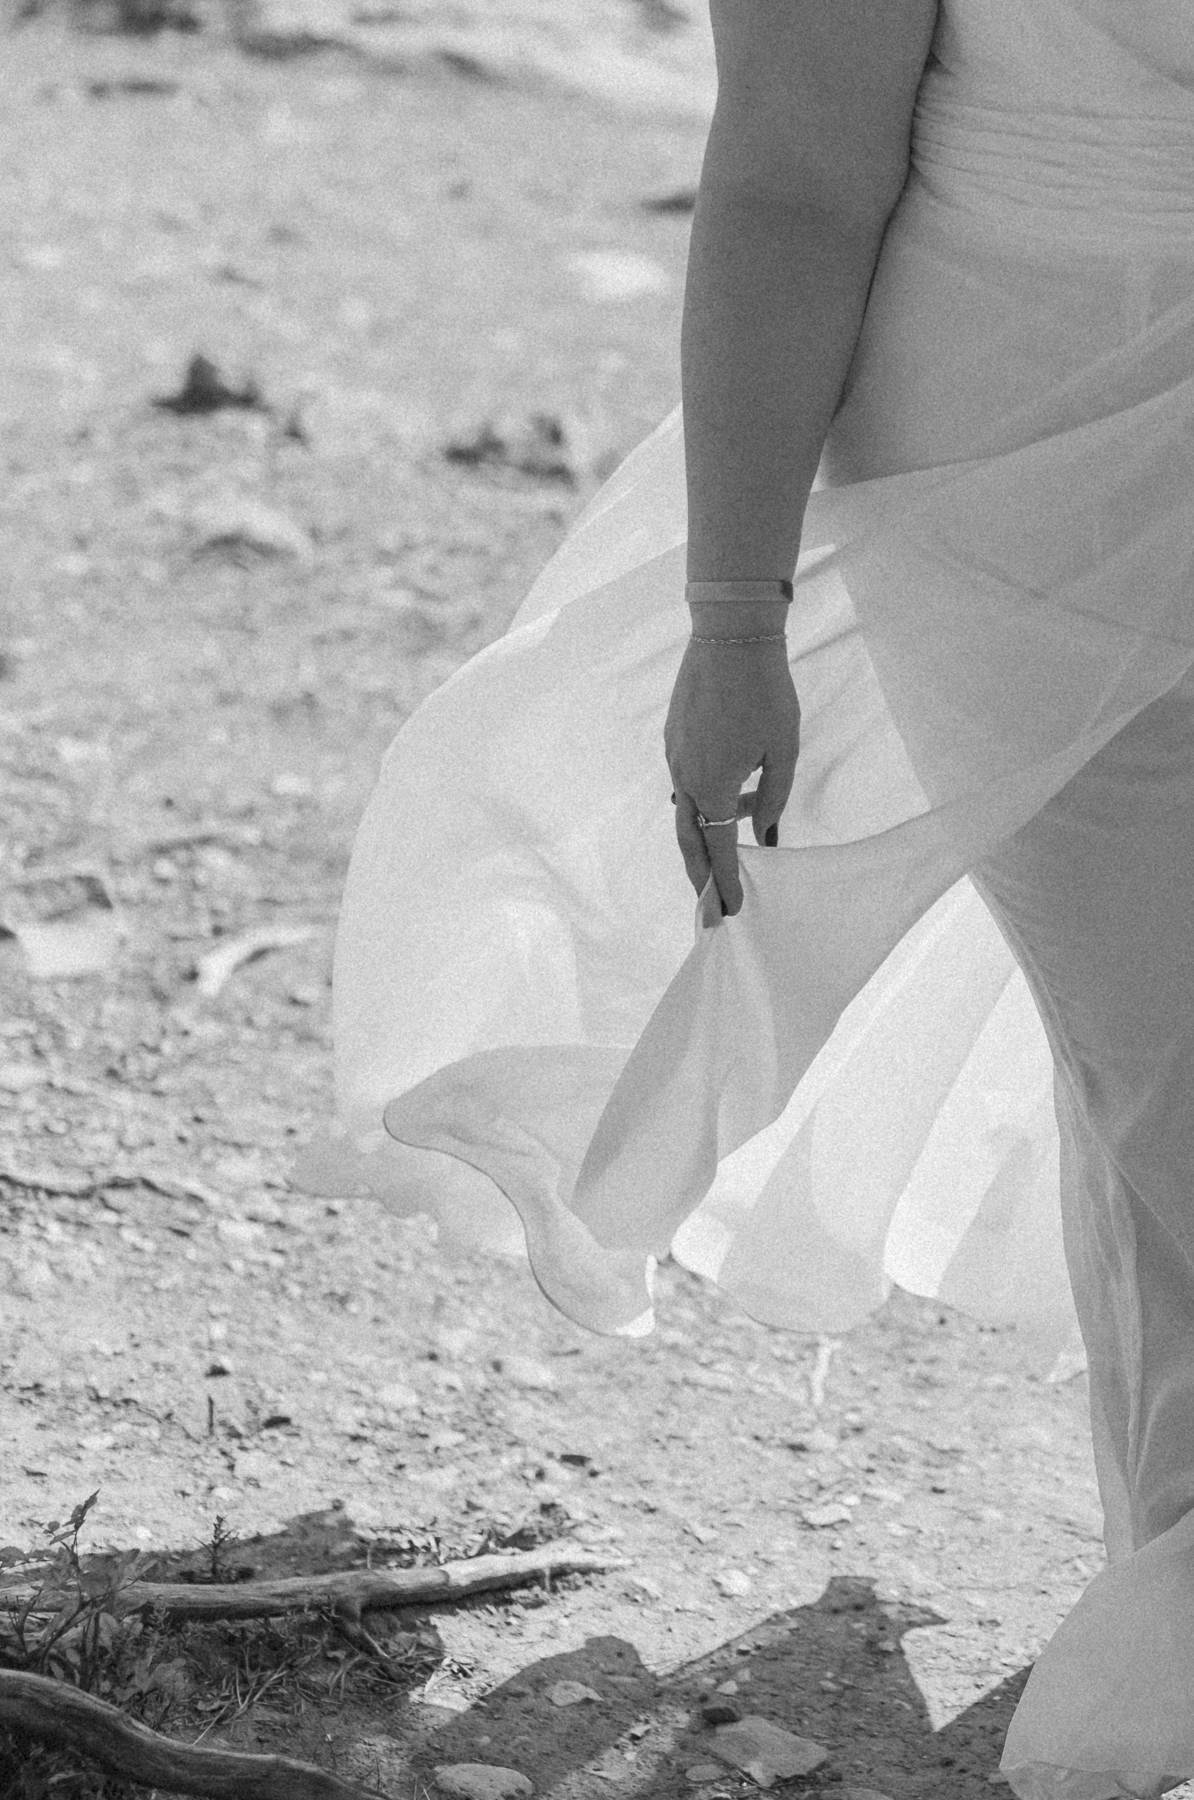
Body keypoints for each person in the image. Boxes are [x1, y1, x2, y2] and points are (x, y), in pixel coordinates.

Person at [293, 1, 1194, 1793]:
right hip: (1025, 469)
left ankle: (1160, 1583)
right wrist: (732, 621)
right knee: (1165, 1048)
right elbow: (789, 179)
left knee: (1154, 1075)